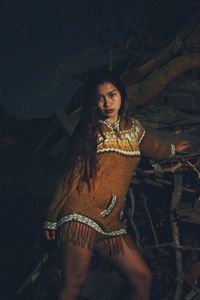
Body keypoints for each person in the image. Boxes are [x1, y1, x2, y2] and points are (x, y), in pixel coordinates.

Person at [43, 71, 190, 300]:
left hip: (111, 221)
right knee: (74, 285)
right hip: (81, 214)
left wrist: (174, 150)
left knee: (142, 277)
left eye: (112, 95)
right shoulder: (91, 131)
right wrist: (52, 217)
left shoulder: (135, 129)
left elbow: (158, 148)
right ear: (94, 102)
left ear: (121, 94)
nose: (106, 103)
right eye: (100, 98)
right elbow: (71, 177)